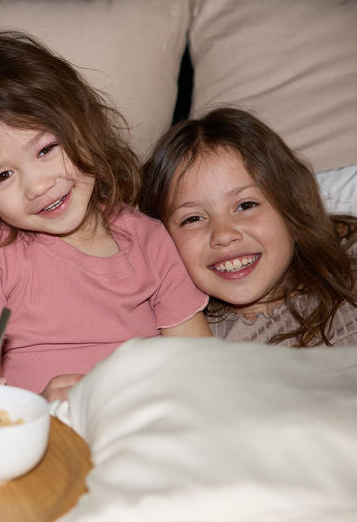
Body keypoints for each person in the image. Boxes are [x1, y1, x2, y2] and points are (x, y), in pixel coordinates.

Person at [0, 31, 211, 400]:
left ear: (83, 122)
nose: (37, 186)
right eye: (2, 176)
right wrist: (39, 410)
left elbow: (204, 370)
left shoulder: (150, 242)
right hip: (44, 441)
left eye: (45, 149)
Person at [139, 107, 357, 346]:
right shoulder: (180, 334)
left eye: (246, 205)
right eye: (193, 219)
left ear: (292, 210)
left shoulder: (348, 270)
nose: (223, 234)